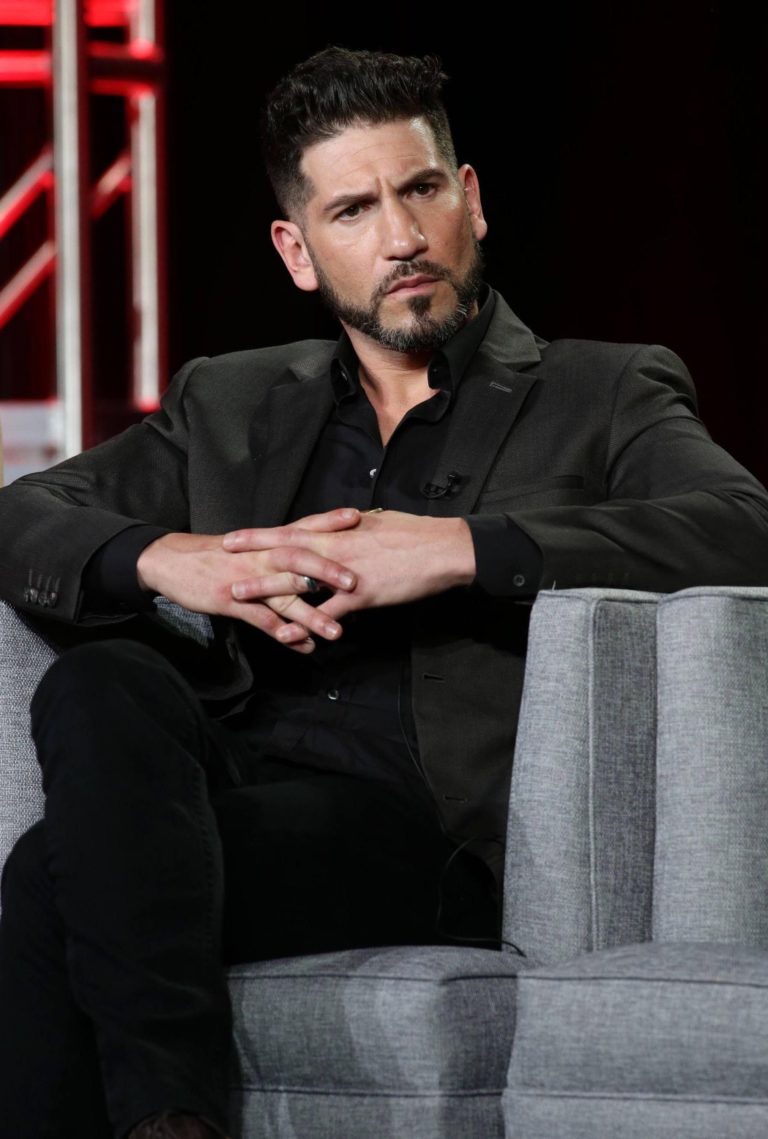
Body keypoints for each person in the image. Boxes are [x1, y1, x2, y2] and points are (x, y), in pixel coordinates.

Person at [1, 44, 767, 1139]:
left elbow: (740, 525)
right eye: (354, 210)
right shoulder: (230, 399)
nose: (401, 237)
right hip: (234, 779)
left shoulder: (601, 389)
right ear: (298, 250)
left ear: (472, 200)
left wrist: (459, 547)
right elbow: (24, 512)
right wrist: (170, 556)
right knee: (100, 681)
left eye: (420, 191)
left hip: (423, 829)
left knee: (50, 874)